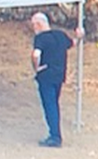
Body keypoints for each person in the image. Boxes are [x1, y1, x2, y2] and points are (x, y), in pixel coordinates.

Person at [30, 12, 84, 147]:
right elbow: (73, 43)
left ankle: (55, 136)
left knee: (49, 105)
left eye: (34, 24)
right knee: (54, 103)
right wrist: (79, 36)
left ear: (39, 24)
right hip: (59, 75)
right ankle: (55, 133)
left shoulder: (40, 38)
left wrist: (36, 67)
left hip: (46, 75)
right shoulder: (60, 35)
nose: (33, 27)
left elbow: (36, 54)